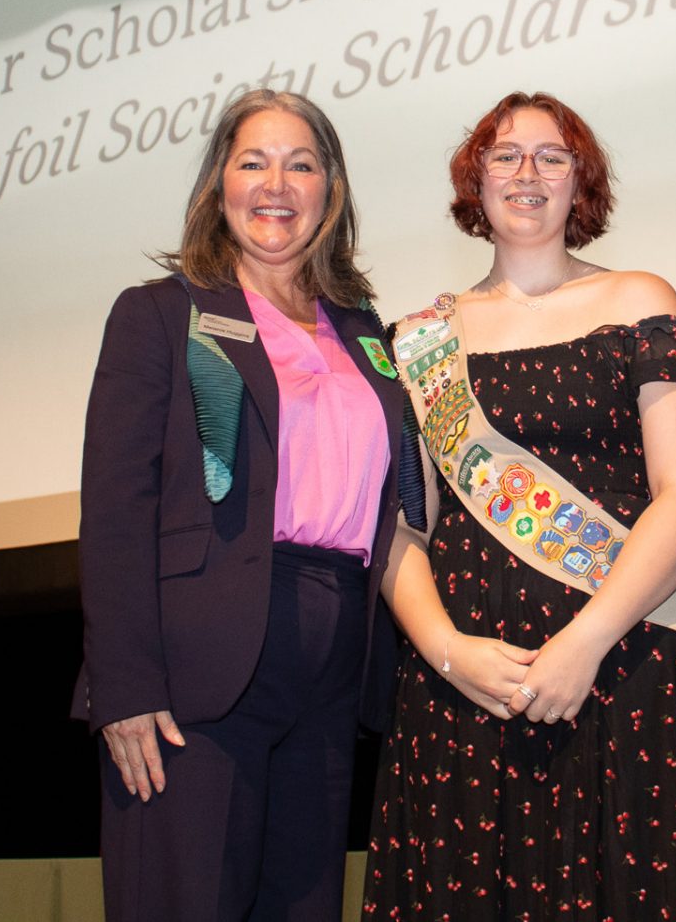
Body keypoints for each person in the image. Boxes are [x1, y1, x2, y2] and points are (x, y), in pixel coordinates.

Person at [364, 91, 676, 919]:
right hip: (469, 687)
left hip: (628, 664)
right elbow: (400, 527)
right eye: (504, 154)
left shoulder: (642, 298)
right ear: (476, 181)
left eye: (552, 156)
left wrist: (583, 642)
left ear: (583, 184)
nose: (526, 172)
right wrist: (447, 652)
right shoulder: (418, 338)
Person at [72, 88, 417, 922]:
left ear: (330, 191)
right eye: (252, 161)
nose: (277, 183)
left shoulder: (367, 332)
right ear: (218, 184)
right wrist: (124, 685)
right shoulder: (161, 313)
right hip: (197, 672)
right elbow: (116, 511)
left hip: (331, 667)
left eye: (301, 164)